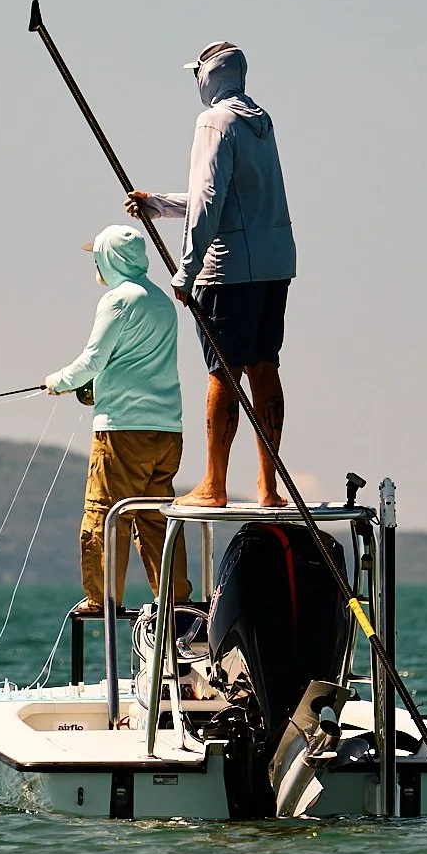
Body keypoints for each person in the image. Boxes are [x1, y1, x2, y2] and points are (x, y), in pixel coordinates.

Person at [126, 41, 295, 508]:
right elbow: (226, 199)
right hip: (275, 263)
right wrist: (158, 204)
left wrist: (187, 270)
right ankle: (269, 488)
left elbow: (207, 199)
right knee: (264, 367)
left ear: (208, 76)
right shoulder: (261, 121)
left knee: (223, 370)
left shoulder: (212, 121)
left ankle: (214, 485)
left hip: (229, 268)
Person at [44, 224, 190, 615]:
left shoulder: (117, 300)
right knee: (157, 517)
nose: (94, 261)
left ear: (109, 259)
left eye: (97, 255)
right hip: (167, 431)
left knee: (105, 514)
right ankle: (175, 599)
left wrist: (57, 382)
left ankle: (102, 600)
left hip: (122, 429)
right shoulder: (162, 301)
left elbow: (93, 360)